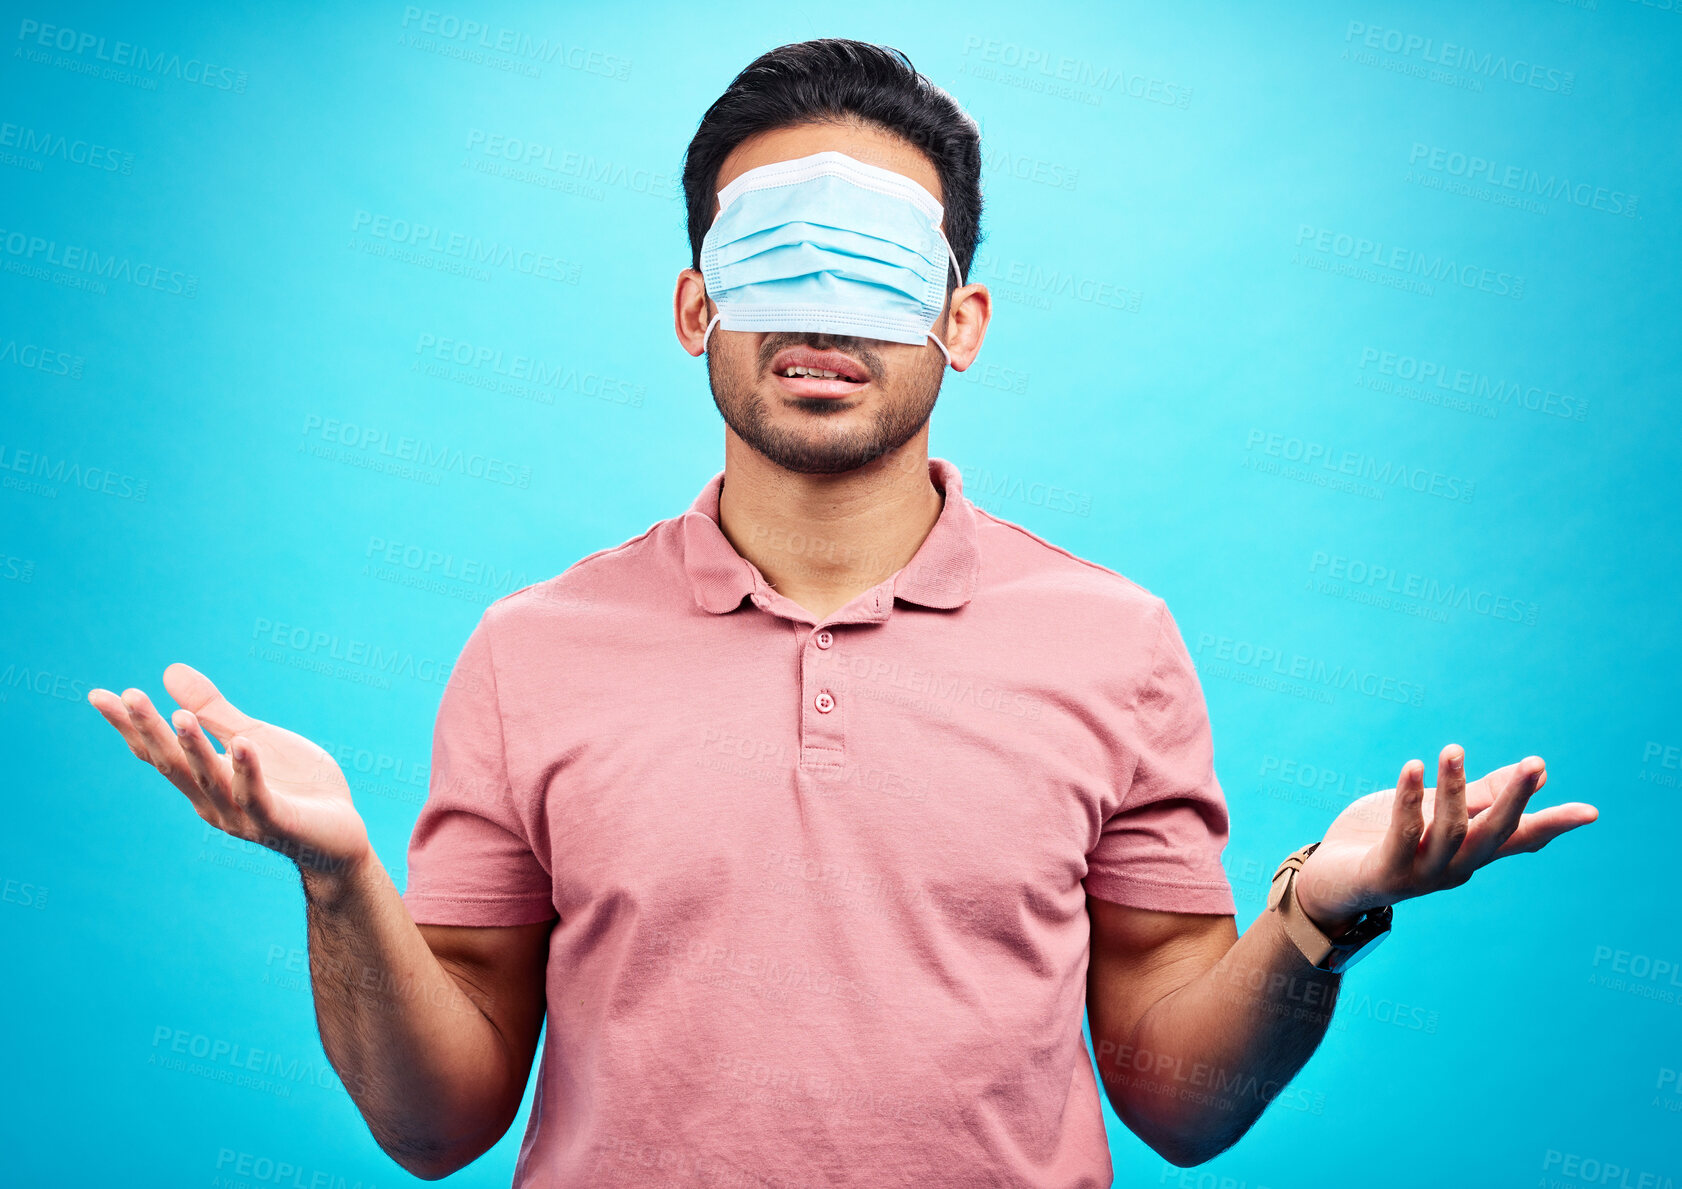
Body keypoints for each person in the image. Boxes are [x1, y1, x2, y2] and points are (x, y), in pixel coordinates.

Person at [88, 38, 1598, 1188]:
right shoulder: (526, 648)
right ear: (696, 307)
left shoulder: (1115, 642)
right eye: (770, 257)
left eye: (875, 263)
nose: (820, 311)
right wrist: (342, 877)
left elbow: (1175, 1103)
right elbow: (437, 1128)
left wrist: (1321, 909)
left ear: (961, 318)